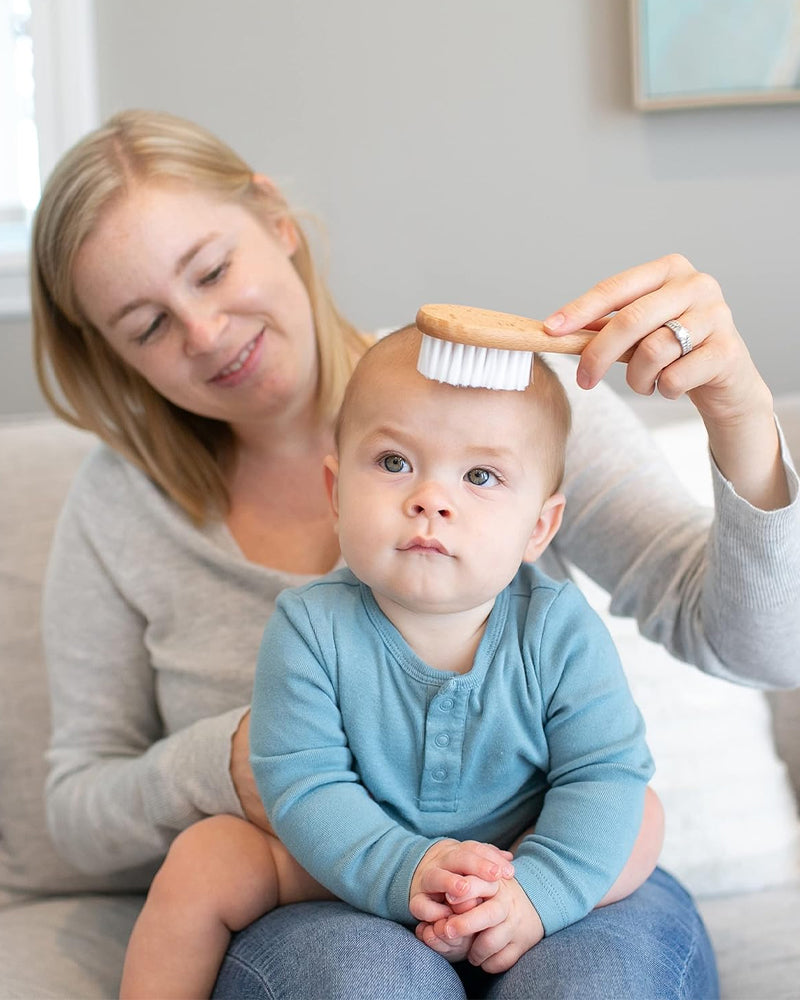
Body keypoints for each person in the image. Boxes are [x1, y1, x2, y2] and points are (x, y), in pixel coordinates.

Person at [31, 107, 798, 1000]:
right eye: (146, 326)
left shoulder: (509, 394)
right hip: (325, 895)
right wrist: (232, 763)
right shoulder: (146, 521)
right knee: (363, 980)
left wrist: (739, 410)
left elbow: (759, 661)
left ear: (277, 224)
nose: (203, 331)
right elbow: (75, 813)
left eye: (211, 269)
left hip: (559, 872)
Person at [118, 329, 664, 998]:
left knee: (637, 811)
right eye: (394, 462)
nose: (431, 499)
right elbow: (306, 787)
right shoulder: (311, 626)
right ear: (335, 491)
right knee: (204, 860)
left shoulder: (558, 629)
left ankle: (519, 911)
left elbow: (600, 771)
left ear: (539, 529)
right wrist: (408, 867)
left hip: (521, 848)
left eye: (480, 476)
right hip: (350, 856)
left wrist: (536, 893)